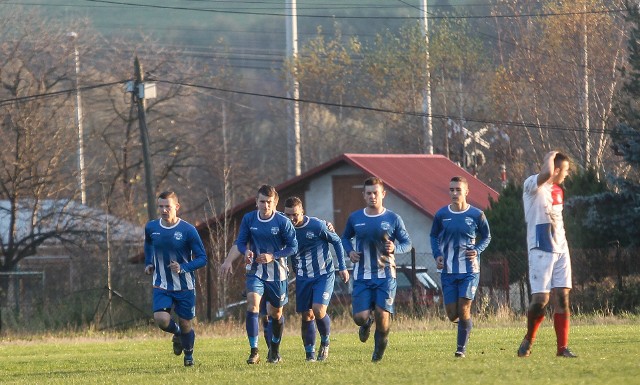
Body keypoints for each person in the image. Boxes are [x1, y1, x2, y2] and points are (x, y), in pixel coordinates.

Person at [341, 177, 412, 362]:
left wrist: (395, 248)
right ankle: (366, 323)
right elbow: (345, 238)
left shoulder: (393, 218)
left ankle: (377, 356)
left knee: (383, 315)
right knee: (359, 317)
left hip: (386, 275)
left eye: (376, 193)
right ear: (363, 195)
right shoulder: (355, 218)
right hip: (362, 275)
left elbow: (407, 243)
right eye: (369, 193)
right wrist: (350, 252)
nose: (372, 196)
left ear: (383, 194)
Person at [518, 150, 577, 358]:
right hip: (540, 249)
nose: (566, 174)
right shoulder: (533, 185)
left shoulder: (559, 191)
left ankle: (562, 348)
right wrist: (549, 156)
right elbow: (546, 174)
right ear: (557, 169)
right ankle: (529, 339)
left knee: (563, 297)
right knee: (541, 300)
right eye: (566, 170)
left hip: (561, 249)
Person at [234, 184, 298, 364]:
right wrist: (245, 252)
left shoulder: (283, 222)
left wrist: (274, 256)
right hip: (256, 272)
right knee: (253, 306)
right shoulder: (249, 219)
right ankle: (254, 351)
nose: (265, 205)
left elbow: (293, 247)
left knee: (275, 314)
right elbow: (240, 242)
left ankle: (274, 350)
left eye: (269, 202)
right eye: (262, 201)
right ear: (256, 202)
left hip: (278, 275)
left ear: (275, 203)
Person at [144, 191, 208, 367]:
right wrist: (149, 263)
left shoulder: (188, 230)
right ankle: (177, 333)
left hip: (185, 286)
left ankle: (188, 355)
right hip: (161, 284)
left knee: (186, 323)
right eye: (161, 206)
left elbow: (203, 258)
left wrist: (183, 268)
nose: (164, 210)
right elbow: (148, 245)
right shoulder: (151, 228)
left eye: (168, 206)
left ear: (177, 207)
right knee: (161, 319)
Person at [430, 176, 491, 358]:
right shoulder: (442, 215)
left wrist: (477, 249)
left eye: (458, 189)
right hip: (448, 271)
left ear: (466, 191)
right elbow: (433, 237)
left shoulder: (476, 215)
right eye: (452, 190)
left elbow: (487, 236)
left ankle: (460, 349)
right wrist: (437, 255)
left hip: (470, 271)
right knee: (451, 314)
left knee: (464, 308)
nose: (454, 193)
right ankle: (466, 325)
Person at [283, 196, 349, 362]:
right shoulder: (284, 227)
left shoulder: (318, 226)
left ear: (302, 212)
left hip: (323, 274)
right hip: (303, 277)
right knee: (307, 316)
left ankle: (325, 342)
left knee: (318, 310)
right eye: (288, 215)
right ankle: (309, 355)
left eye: (295, 215)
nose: (291, 218)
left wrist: (342, 266)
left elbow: (337, 242)